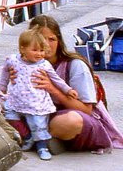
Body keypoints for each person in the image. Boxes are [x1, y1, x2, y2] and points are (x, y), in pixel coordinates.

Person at [20, 15, 123, 153]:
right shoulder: (23, 64)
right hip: (37, 115)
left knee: (71, 121)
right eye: (41, 39)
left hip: (72, 117)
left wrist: (53, 89)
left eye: (52, 39)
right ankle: (44, 139)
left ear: (59, 41)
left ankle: (37, 137)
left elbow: (86, 109)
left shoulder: (75, 65)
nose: (46, 45)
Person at [0, 28, 77, 160]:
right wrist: (3, 84)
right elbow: (5, 71)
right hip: (16, 99)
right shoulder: (13, 60)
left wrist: (67, 90)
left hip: (36, 101)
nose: (40, 54)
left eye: (42, 50)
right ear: (23, 49)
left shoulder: (44, 65)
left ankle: (42, 146)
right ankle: (28, 137)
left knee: (38, 124)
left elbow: (56, 79)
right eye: (35, 50)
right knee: (10, 116)